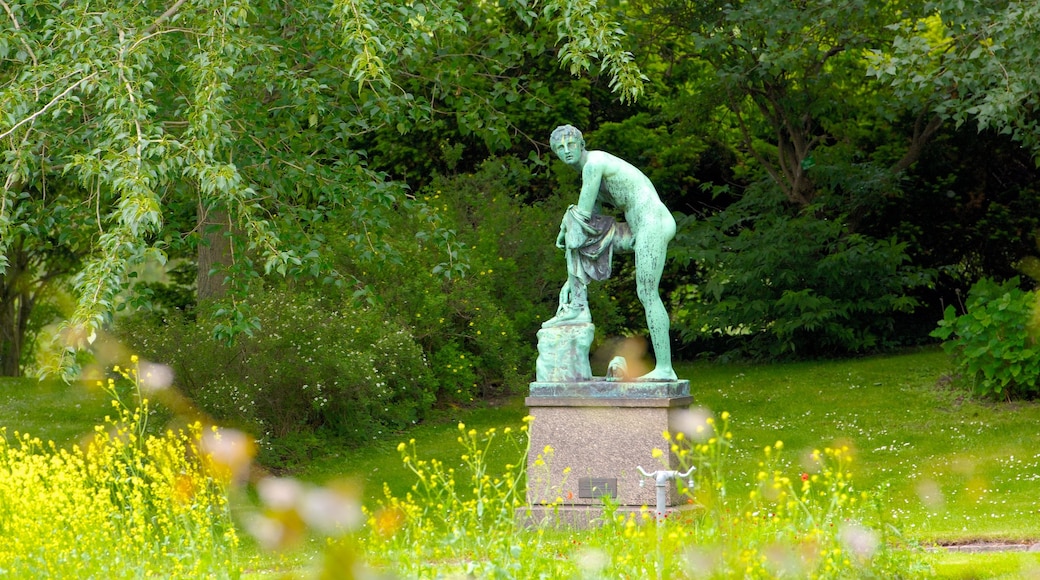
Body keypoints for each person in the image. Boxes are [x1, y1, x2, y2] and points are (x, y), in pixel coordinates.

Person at [542, 124, 677, 381]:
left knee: (647, 293)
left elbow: (580, 218)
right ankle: (577, 304)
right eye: (560, 148)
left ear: (582, 145)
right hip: (635, 228)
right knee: (574, 223)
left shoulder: (594, 163)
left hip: (652, 223)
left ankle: (665, 369)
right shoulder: (588, 172)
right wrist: (571, 279)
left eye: (572, 145)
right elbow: (585, 230)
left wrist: (564, 228)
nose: (567, 151)